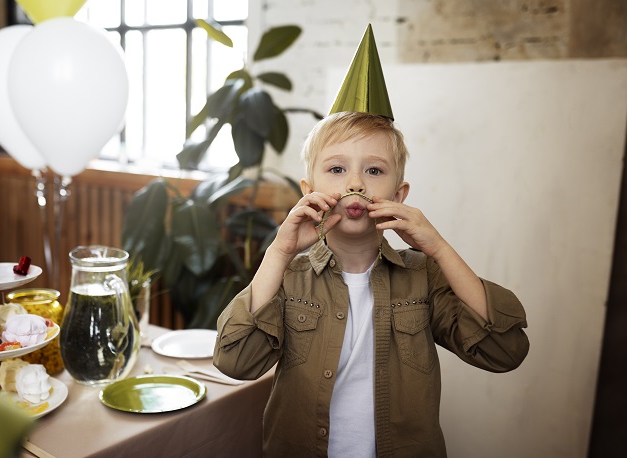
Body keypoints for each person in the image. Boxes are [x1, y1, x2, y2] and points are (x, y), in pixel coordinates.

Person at [213, 24, 529, 457]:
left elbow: (504, 350)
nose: (356, 183)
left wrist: (436, 246)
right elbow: (236, 361)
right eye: (338, 169)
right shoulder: (289, 278)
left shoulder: (423, 277)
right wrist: (280, 250)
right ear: (310, 191)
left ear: (398, 197)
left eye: (375, 171)